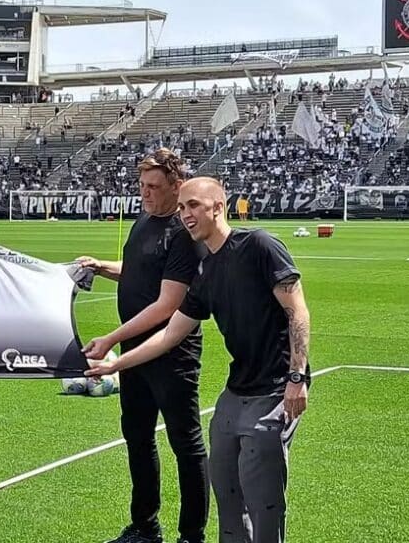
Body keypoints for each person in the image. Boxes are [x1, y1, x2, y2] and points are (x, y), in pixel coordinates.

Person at [88, 177, 311, 543]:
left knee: (262, 499)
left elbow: (297, 312)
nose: (185, 214)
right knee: (226, 492)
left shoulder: (259, 245)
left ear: (218, 207)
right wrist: (115, 362)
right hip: (236, 390)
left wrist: (297, 378)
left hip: (275, 390)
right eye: (181, 208)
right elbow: (171, 333)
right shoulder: (205, 271)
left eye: (193, 206)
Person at [78, 149, 209, 543]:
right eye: (141, 185)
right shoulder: (142, 223)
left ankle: (191, 535)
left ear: (175, 186)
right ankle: (145, 527)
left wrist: (111, 341)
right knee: (137, 436)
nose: (145, 193)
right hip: (136, 354)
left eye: (154, 187)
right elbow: (138, 274)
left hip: (172, 355)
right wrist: (101, 267)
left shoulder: (183, 235)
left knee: (185, 443)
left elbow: (167, 304)